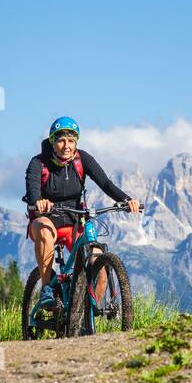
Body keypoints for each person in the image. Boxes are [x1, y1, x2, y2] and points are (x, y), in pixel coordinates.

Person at [23, 116, 138, 307]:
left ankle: (85, 315)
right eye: (60, 140)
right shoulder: (38, 163)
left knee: (99, 264)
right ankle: (47, 289)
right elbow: (32, 190)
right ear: (52, 141)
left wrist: (126, 200)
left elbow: (106, 184)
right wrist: (39, 202)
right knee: (44, 230)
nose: (66, 146)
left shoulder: (82, 159)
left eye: (71, 141)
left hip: (75, 220)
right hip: (46, 219)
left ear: (76, 141)